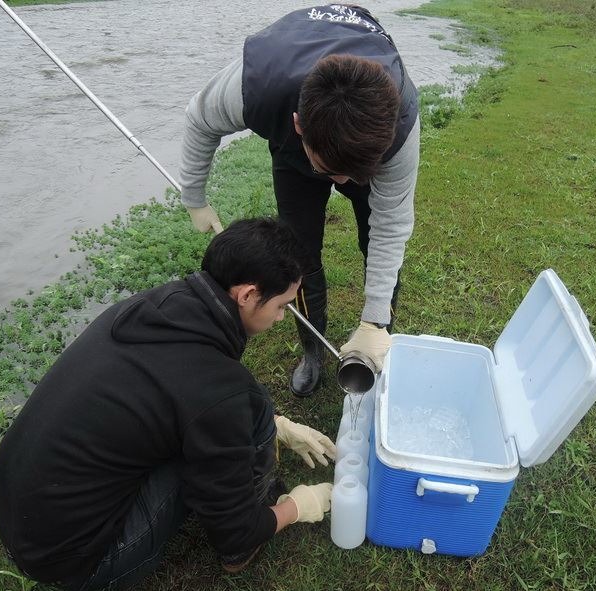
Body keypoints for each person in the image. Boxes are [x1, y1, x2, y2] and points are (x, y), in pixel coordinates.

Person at [0, 218, 337, 591]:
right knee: (246, 410)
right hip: (76, 561)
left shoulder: (154, 306)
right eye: (282, 306)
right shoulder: (218, 388)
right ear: (248, 295)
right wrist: (300, 506)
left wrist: (276, 423)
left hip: (13, 514)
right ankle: (250, 535)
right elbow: (233, 530)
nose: (282, 317)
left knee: (246, 408)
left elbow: (192, 395)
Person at [179, 4, 420, 397]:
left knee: (374, 242)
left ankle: (376, 340)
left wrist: (374, 319)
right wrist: (194, 197)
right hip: (296, 155)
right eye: (331, 171)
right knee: (299, 256)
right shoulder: (255, 86)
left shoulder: (399, 125)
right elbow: (199, 118)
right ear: (297, 126)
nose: (342, 183)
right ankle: (313, 352)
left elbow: (391, 229)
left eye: (351, 175)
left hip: (354, 150)